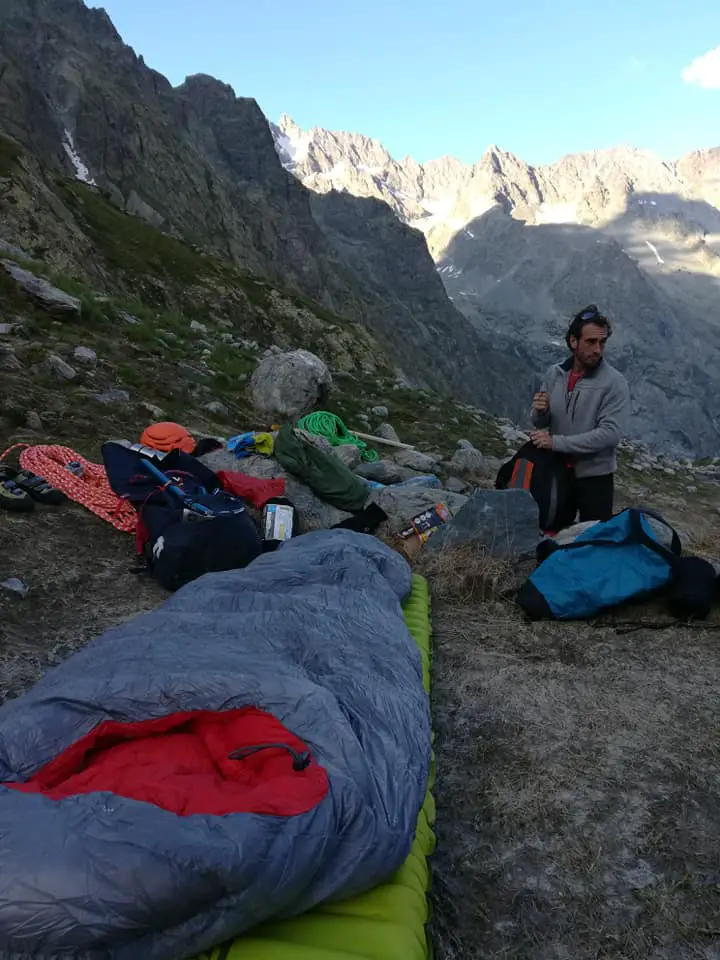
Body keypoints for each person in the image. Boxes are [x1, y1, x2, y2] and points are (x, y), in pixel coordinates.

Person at [529, 304, 630, 525]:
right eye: (591, 342)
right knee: (552, 532)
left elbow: (610, 434)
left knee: (593, 542)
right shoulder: (555, 374)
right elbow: (539, 421)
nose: (598, 350)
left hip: (595, 477)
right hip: (558, 473)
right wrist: (541, 410)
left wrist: (556, 443)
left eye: (602, 343)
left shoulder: (614, 382)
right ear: (573, 342)